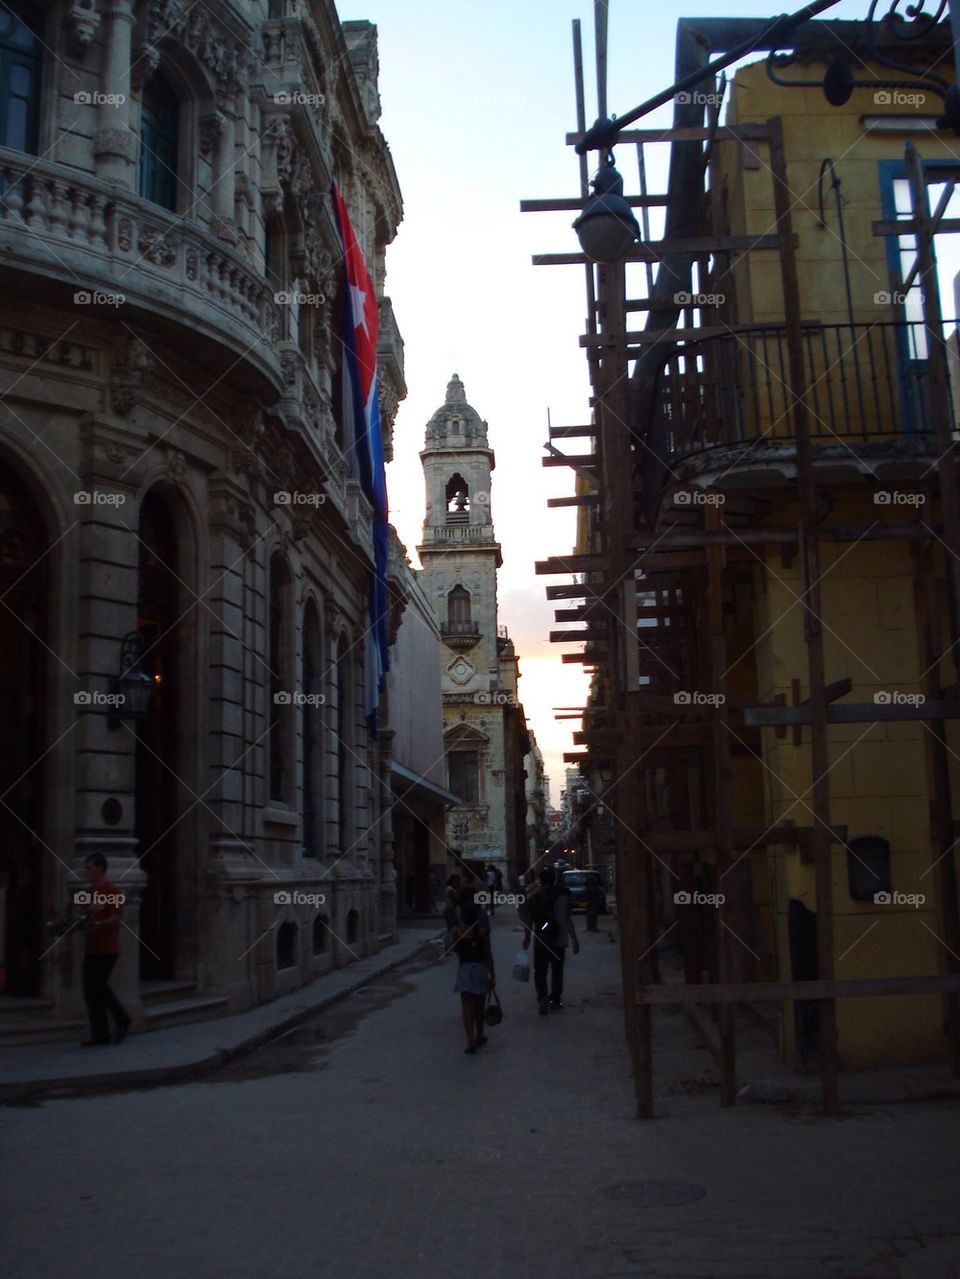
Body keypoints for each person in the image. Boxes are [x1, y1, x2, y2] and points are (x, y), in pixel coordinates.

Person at [80, 853, 131, 1046]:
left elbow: (118, 917)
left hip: (107, 948)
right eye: (86, 868)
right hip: (91, 949)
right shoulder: (88, 892)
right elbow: (82, 914)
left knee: (98, 986)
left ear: (100, 869)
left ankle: (122, 1019)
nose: (87, 872)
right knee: (90, 992)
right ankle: (100, 1034)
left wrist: (99, 925)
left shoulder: (112, 891)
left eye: (90, 868)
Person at [522, 865, 579, 1014]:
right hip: (559, 939)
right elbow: (567, 918)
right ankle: (555, 999)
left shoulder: (534, 897)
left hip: (541, 940)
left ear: (540, 881)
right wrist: (574, 939)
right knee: (557, 971)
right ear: (554, 880)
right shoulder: (563, 895)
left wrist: (527, 937)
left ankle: (542, 997)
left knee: (540, 971)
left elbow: (529, 919)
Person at [453, 882, 495, 1053]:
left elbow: (456, 950)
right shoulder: (482, 932)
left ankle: (470, 1040)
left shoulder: (458, 933)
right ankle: (480, 1034)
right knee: (479, 1004)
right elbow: (488, 955)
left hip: (464, 969)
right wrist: (493, 974)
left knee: (466, 1005)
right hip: (480, 969)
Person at [441, 873, 461, 956]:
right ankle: (450, 948)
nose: (457, 883)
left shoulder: (450, 888)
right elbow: (455, 899)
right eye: (456, 881)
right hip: (450, 910)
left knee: (451, 928)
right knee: (453, 928)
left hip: (449, 909)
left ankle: (450, 948)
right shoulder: (450, 889)